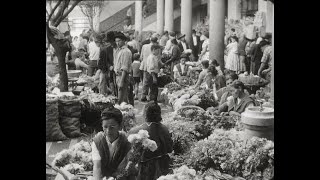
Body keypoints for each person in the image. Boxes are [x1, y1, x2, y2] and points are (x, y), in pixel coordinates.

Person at [129, 102, 173, 180]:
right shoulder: (165, 129)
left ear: (145, 114)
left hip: (145, 169)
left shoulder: (137, 130)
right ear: (159, 114)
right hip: (163, 166)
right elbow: (170, 149)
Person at [92, 107, 132, 180]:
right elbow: (97, 166)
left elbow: (127, 167)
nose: (108, 131)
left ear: (120, 126)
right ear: (102, 126)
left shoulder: (126, 142)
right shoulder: (98, 141)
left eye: (112, 127)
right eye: (105, 127)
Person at [113, 32, 132, 104]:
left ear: (124, 40)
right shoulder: (118, 50)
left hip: (123, 76)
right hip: (118, 75)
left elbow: (125, 67)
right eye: (116, 41)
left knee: (122, 99)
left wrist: (121, 81)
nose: (117, 43)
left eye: (119, 41)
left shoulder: (126, 51)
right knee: (121, 97)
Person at [140, 37, 159, 102]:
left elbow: (141, 57)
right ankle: (150, 97)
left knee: (145, 82)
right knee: (152, 83)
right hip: (151, 67)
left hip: (145, 65)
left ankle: (143, 95)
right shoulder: (155, 48)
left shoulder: (144, 46)